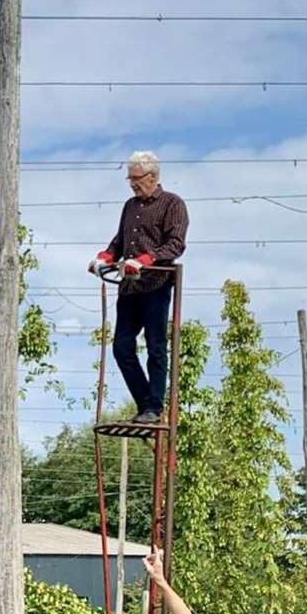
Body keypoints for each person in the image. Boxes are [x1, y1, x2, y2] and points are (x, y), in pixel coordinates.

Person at [89, 150, 189, 424]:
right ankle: (146, 404)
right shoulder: (130, 206)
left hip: (156, 285)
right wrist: (105, 257)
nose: (132, 183)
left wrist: (145, 261)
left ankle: (154, 408)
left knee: (156, 347)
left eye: (136, 178)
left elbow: (175, 244)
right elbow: (120, 241)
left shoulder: (172, 204)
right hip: (129, 288)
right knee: (122, 347)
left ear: (153, 176)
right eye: (129, 178)